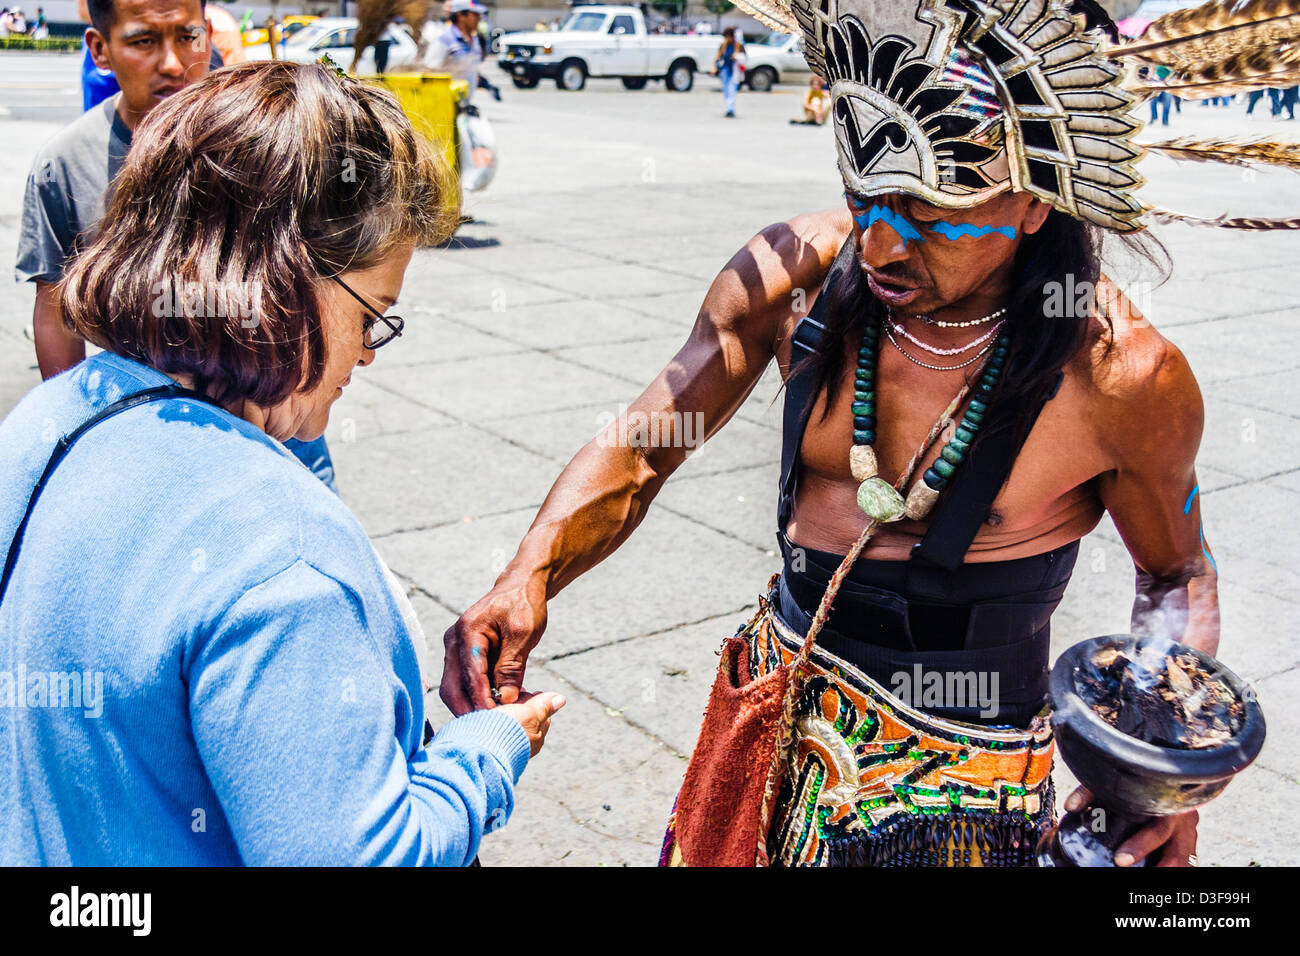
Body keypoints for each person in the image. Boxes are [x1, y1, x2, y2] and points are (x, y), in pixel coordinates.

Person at [441, 0, 1222, 868]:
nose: (882, 245)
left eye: (927, 212)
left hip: (970, 787)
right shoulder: (794, 281)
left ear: (1034, 203)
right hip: (769, 738)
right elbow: (649, 443)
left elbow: (1177, 570)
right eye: (867, 196)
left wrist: (1160, 777)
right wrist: (529, 573)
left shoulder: (1122, 375)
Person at [0, 61, 566, 866]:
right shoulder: (278, 548)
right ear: (287, 283)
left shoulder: (48, 420)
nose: (368, 356)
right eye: (374, 317)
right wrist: (487, 754)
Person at [18, 0, 334, 489]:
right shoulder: (64, 167)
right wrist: (70, 432)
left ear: (208, 34)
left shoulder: (266, 146)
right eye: (144, 41)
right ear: (100, 49)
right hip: (142, 435)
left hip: (278, 424)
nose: (172, 63)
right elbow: (56, 312)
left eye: (187, 37)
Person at [712, 26, 744, 118]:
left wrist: (736, 57)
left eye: (728, 36)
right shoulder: (723, 45)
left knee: (732, 89)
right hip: (725, 70)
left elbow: (744, 57)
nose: (727, 38)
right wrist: (714, 68)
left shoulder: (738, 45)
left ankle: (730, 109)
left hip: (735, 70)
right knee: (726, 90)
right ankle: (728, 108)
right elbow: (718, 57)